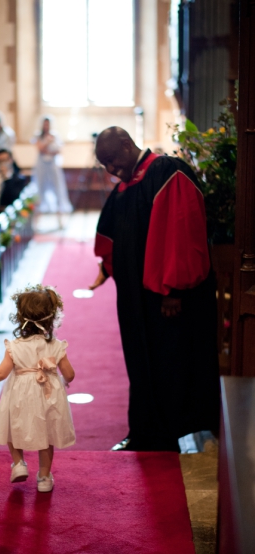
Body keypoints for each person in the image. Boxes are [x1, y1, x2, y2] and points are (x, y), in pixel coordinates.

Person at [89, 126, 219, 451]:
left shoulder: (167, 171)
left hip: (167, 297)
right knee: (141, 361)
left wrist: (172, 289)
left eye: (112, 160)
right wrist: (108, 265)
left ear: (126, 143)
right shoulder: (127, 185)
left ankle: (173, 432)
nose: (110, 169)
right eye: (103, 163)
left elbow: (182, 231)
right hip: (136, 296)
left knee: (170, 362)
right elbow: (112, 231)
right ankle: (145, 430)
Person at [0, 285, 76, 492]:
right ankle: (44, 478)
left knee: (13, 427)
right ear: (51, 317)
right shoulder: (56, 345)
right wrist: (63, 380)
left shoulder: (15, 346)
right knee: (47, 434)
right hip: (48, 393)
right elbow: (70, 374)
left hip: (20, 394)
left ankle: (18, 463)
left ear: (20, 317)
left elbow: (1, 373)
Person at [32, 116, 73, 231]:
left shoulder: (55, 135)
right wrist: (47, 142)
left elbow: (58, 150)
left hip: (53, 167)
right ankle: (36, 222)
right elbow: (40, 148)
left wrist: (50, 148)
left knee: (58, 191)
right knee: (39, 192)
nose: (46, 126)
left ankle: (60, 220)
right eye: (44, 124)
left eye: (48, 124)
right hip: (41, 167)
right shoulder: (38, 136)